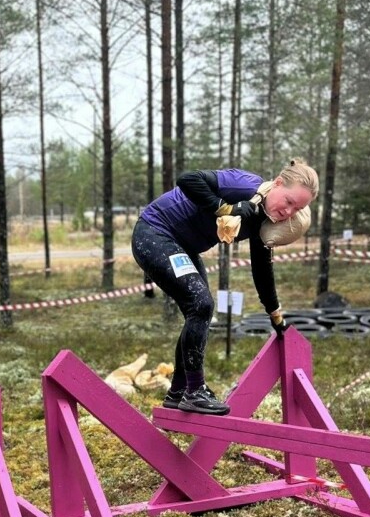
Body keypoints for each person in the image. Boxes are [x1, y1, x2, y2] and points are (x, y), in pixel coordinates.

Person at [132, 160, 319, 416]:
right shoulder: (243, 185)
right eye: (288, 201)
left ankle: (178, 391)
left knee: (199, 311)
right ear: (277, 183)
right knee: (201, 304)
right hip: (155, 232)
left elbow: (262, 268)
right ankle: (195, 391)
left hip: (183, 247)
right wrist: (226, 208)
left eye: (297, 209)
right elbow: (188, 180)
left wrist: (276, 315)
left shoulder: (262, 218)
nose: (288, 212)